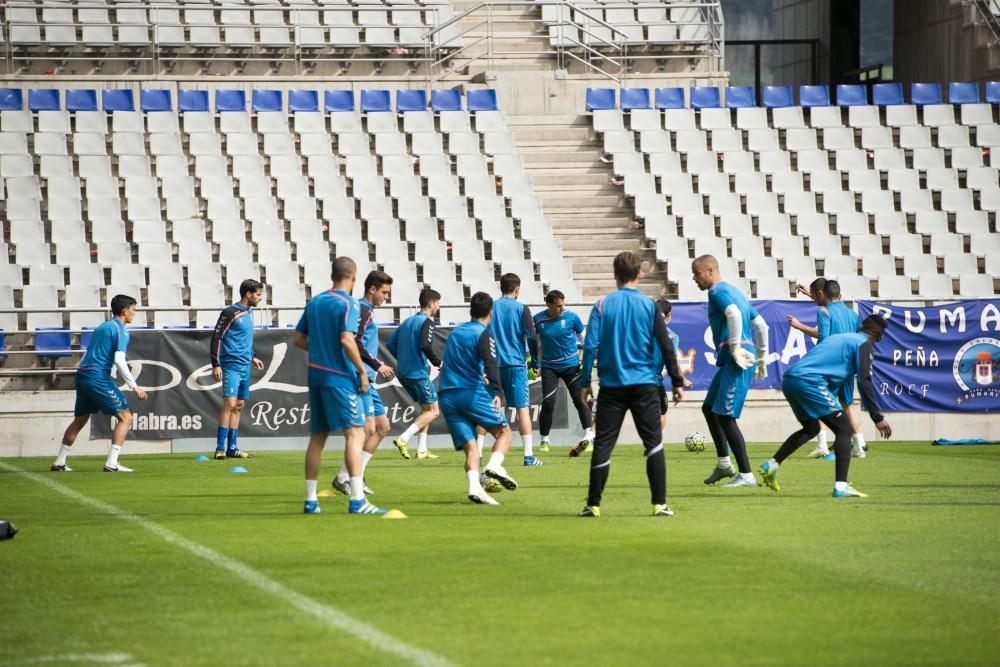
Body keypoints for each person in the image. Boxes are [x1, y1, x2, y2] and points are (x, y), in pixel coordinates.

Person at [578, 252, 685, 517]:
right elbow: (666, 345)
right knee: (654, 444)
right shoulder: (649, 306)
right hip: (645, 385)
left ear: (615, 274)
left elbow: (590, 345)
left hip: (612, 386)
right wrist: (677, 381)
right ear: (639, 274)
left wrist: (584, 382)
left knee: (603, 444)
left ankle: (593, 505)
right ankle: (659, 504)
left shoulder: (602, 304)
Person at [758, 315, 892, 497]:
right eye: (879, 338)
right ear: (876, 333)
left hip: (790, 379)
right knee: (845, 429)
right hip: (810, 382)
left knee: (811, 428)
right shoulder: (863, 344)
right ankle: (841, 487)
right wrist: (877, 417)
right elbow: (865, 381)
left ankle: (771, 465)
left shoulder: (837, 338)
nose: (877, 342)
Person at [293, 257, 386, 516]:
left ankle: (311, 501)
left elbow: (298, 339)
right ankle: (357, 500)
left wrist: (322, 349)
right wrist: (361, 370)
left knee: (317, 438)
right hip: (340, 377)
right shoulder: (348, 303)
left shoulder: (315, 302)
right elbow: (347, 340)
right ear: (354, 277)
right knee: (355, 434)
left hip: (316, 376)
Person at [692, 255, 770, 488]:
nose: (694, 279)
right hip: (734, 358)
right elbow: (761, 324)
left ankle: (746, 474)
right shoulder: (735, 291)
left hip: (736, 358)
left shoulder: (717, 292)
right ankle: (724, 464)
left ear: (709, 271)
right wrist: (763, 356)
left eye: (696, 273)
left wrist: (736, 347)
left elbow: (734, 314)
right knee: (709, 408)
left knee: (725, 416)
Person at [51, 294, 148, 473]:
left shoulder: (103, 326)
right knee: (126, 418)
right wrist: (134, 386)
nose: (134, 313)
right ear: (125, 311)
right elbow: (119, 360)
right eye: (133, 310)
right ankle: (112, 463)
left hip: (82, 375)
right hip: (97, 377)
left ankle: (60, 461)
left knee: (80, 419)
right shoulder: (120, 330)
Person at [438, 292, 517, 505]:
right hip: (469, 393)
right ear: (490, 312)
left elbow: (457, 361)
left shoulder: (455, 333)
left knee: (471, 447)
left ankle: (475, 489)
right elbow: (491, 362)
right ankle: (494, 466)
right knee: (505, 433)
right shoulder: (483, 333)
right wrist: (498, 392)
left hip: (446, 395)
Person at [787, 278, 867, 459]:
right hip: (847, 366)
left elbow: (824, 340)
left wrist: (799, 326)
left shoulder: (824, 313)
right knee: (848, 405)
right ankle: (859, 445)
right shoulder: (853, 315)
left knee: (820, 405)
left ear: (822, 294)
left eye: (815, 295)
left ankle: (822, 444)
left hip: (830, 367)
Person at [331, 271, 394, 495]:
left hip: (369, 378)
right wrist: (378, 365)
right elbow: (355, 342)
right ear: (372, 289)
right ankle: (344, 477)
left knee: (383, 427)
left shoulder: (364, 309)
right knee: (366, 429)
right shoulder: (363, 309)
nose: (386, 297)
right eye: (384, 292)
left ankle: (353, 476)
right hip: (360, 377)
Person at [488, 273, 542, 466]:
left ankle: (476, 453)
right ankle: (528, 456)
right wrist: (536, 362)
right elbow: (533, 337)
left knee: (490, 408)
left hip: (493, 366)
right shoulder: (521, 309)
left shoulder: (491, 307)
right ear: (517, 289)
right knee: (522, 410)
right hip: (515, 365)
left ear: (501, 287)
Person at [532, 289, 594, 456]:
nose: (562, 308)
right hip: (549, 368)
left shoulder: (572, 317)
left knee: (580, 401)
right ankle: (544, 439)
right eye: (558, 306)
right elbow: (530, 341)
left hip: (571, 366)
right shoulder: (538, 320)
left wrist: (588, 358)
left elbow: (585, 337)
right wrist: (533, 361)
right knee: (548, 403)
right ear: (549, 305)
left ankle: (588, 437)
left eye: (563, 305)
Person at [210, 278, 265, 460]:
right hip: (231, 365)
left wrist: (253, 356)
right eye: (258, 294)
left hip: (244, 365)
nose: (260, 298)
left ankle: (233, 447)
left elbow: (245, 339)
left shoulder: (249, 313)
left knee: (239, 406)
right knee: (230, 404)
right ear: (248, 294)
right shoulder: (230, 312)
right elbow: (217, 337)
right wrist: (216, 364)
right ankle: (220, 448)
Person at [388, 288, 443, 460]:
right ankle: (403, 438)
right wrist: (438, 362)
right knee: (434, 411)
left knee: (426, 409)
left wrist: (404, 358)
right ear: (431, 303)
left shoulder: (406, 322)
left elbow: (390, 345)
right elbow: (425, 345)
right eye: (438, 303)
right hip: (417, 373)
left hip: (403, 372)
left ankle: (421, 449)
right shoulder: (427, 322)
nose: (438, 307)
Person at [654, 299, 693, 432]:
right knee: (661, 412)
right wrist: (681, 380)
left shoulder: (639, 331)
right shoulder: (672, 336)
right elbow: (672, 360)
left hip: (629, 378)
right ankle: (655, 443)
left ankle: (592, 434)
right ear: (669, 315)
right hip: (653, 381)